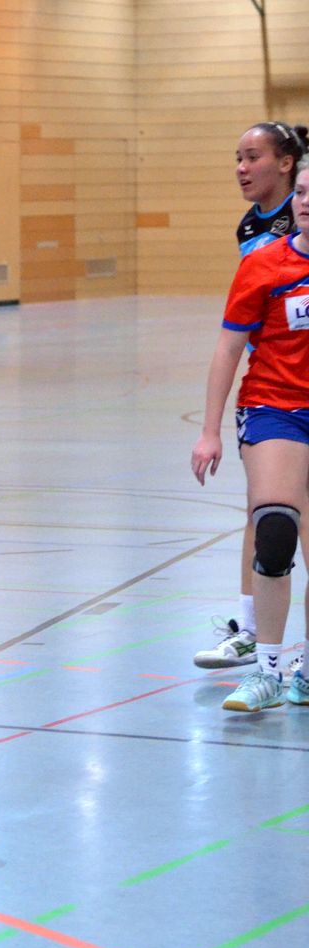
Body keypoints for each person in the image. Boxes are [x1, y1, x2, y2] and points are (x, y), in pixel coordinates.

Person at [193, 160, 309, 713]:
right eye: (302, 192)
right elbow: (227, 349)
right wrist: (209, 431)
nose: (306, 202)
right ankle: (266, 670)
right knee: (276, 529)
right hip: (275, 407)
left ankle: (306, 670)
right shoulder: (264, 264)